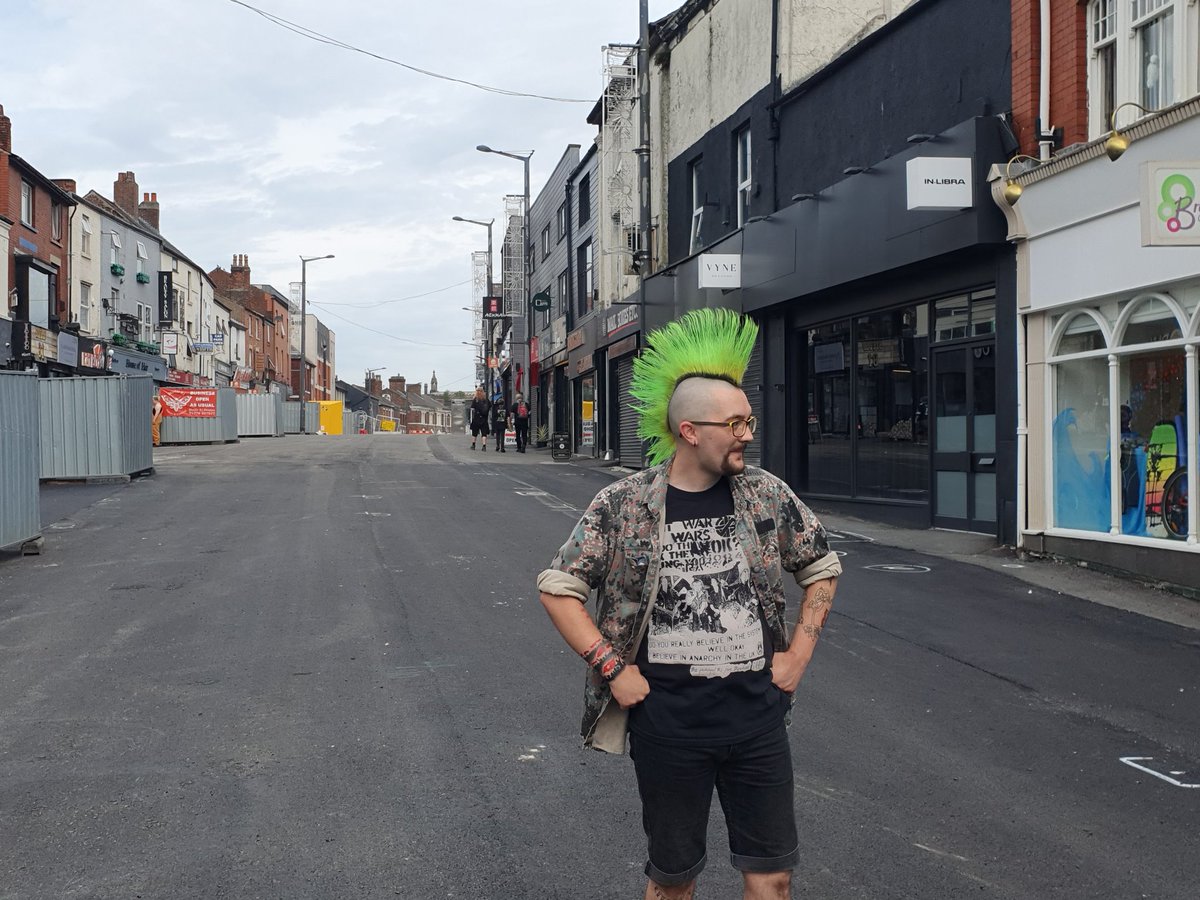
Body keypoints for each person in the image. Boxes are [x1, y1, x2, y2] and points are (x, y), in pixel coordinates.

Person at [537, 308, 841, 900]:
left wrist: (799, 655)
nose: (747, 433)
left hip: (756, 721)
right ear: (690, 431)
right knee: (674, 884)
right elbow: (559, 586)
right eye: (735, 423)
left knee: (773, 880)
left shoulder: (765, 494)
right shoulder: (624, 504)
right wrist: (611, 667)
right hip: (668, 724)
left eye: (749, 420)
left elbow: (821, 567)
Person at [468, 386, 490, 451]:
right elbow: (489, 407)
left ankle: (473, 445)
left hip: (476, 419)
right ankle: (484, 446)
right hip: (484, 419)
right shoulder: (486, 400)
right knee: (484, 433)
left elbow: (472, 408)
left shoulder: (475, 400)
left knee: (474, 433)